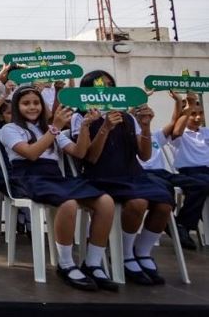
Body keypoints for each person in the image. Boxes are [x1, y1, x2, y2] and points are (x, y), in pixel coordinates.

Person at [0, 86, 116, 292]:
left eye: (36, 103)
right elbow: (31, 154)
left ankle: (92, 262)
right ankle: (66, 263)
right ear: (17, 106)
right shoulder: (10, 129)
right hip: (29, 177)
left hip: (55, 178)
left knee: (105, 202)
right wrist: (55, 128)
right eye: (26, 103)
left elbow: (79, 153)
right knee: (68, 203)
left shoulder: (50, 128)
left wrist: (86, 126)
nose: (32, 107)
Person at [69, 71, 174, 286]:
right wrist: (105, 127)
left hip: (132, 174)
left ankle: (142, 252)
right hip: (101, 176)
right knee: (138, 203)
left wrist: (145, 126)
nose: (105, 90)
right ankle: (126, 256)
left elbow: (144, 155)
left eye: (109, 85)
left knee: (164, 203)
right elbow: (90, 158)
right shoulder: (81, 117)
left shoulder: (127, 117)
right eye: (99, 86)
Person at [140, 91, 208, 250]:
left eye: (148, 114)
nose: (146, 116)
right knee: (165, 190)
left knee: (201, 185)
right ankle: (171, 225)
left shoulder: (156, 135)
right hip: (144, 174)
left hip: (163, 173)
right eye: (142, 115)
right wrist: (142, 96)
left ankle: (180, 225)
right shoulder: (129, 136)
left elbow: (173, 120)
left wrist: (179, 101)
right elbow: (177, 131)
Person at [169, 91, 209, 247]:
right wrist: (186, 106)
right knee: (203, 184)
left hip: (206, 170)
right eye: (193, 114)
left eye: (200, 114)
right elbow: (176, 130)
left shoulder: (205, 132)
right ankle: (183, 225)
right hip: (190, 171)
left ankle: (182, 225)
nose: (198, 118)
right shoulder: (180, 134)